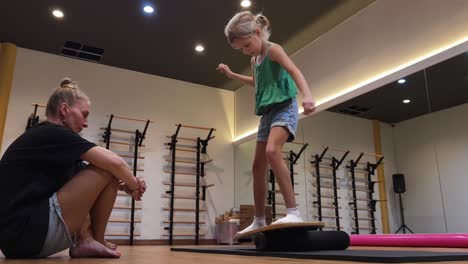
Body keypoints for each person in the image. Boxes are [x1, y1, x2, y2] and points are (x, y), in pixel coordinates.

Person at [0, 78, 147, 258]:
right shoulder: (52, 133)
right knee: (107, 168)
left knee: (107, 174)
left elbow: (91, 182)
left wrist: (123, 184)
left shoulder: (50, 141)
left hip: (18, 239)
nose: (85, 123)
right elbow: (115, 163)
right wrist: (134, 186)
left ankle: (86, 240)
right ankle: (95, 240)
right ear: (64, 110)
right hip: (26, 233)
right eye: (84, 114)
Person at [217, 11, 315, 235]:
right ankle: (259, 219)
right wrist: (233, 75)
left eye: (247, 45)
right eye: (241, 49)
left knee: (272, 151)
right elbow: (258, 82)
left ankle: (293, 211)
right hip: (267, 113)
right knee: (257, 166)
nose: (246, 51)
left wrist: (307, 95)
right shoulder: (254, 60)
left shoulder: (274, 50)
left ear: (258, 33)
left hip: (285, 106)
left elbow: (293, 70)